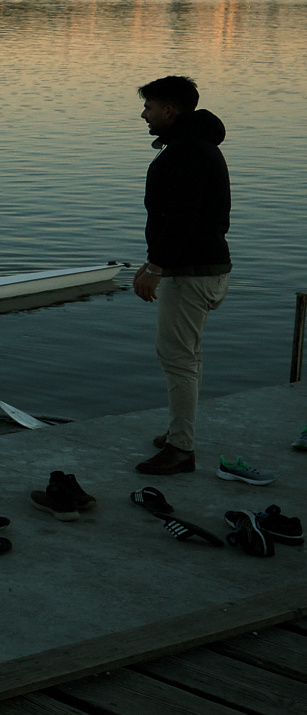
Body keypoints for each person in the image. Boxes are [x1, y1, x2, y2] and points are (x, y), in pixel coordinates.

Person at [132, 76, 230, 475]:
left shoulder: (187, 151)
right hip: (202, 267)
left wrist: (158, 266)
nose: (144, 114)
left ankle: (181, 449)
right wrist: (153, 260)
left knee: (177, 358)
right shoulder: (194, 145)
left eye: (149, 107)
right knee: (187, 356)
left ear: (169, 111)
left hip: (191, 272)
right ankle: (178, 432)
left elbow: (183, 216)